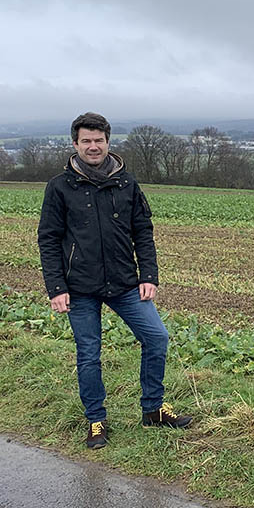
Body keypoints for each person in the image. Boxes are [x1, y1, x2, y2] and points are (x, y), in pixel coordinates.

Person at [38, 112, 192, 450]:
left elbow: (143, 232)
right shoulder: (60, 187)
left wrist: (148, 275)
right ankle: (96, 420)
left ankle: (153, 410)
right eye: (86, 141)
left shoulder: (128, 183)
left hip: (124, 283)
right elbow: (49, 239)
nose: (93, 146)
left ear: (108, 142)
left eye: (99, 140)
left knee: (157, 338)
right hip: (79, 287)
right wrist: (56, 287)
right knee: (89, 354)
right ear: (75, 144)